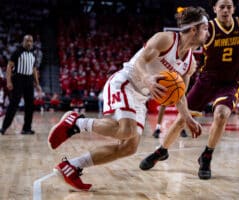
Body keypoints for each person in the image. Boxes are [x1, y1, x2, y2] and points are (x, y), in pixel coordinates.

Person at [48, 7, 209, 191]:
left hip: (141, 98)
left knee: (129, 147)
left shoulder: (190, 64)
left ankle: (72, 167)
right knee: (126, 130)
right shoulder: (166, 39)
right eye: (205, 28)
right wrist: (147, 78)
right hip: (126, 80)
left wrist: (187, 118)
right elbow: (140, 61)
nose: (208, 33)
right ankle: (77, 122)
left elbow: (180, 96)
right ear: (194, 29)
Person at [139, 0, 239, 180]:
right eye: (222, 7)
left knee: (221, 115)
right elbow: (185, 44)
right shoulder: (206, 28)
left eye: (229, 6)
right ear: (215, 9)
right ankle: (162, 151)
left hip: (229, 83)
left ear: (234, 9)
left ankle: (207, 156)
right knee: (182, 120)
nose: (225, 10)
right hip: (205, 81)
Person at [0, 35, 42, 135]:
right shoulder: (17, 52)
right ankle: (4, 127)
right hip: (18, 79)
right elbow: (9, 67)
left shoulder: (33, 54)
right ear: (23, 41)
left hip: (29, 80)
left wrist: (37, 84)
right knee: (13, 104)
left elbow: (34, 70)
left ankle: (27, 128)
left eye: (31, 41)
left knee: (30, 105)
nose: (29, 43)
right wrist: (9, 81)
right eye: (27, 41)